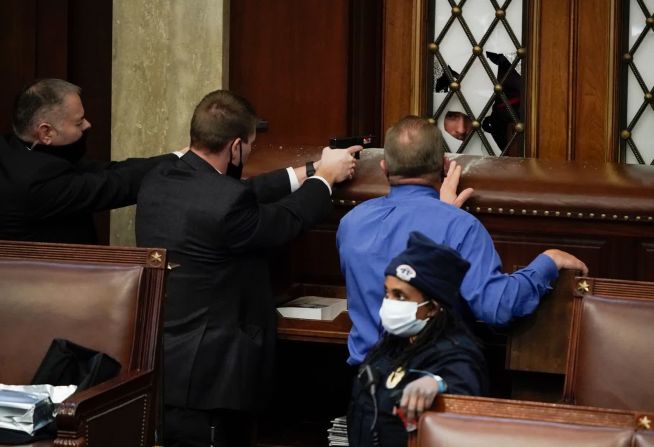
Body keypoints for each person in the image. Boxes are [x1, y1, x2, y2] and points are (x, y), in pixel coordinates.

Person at [135, 89, 360, 447]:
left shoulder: (160, 178)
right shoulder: (226, 201)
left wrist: (310, 170)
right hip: (212, 376)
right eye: (251, 145)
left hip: (164, 361)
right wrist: (325, 181)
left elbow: (238, 192)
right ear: (236, 146)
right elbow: (283, 221)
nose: (251, 152)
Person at [337, 115, 588, 366]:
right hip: (433, 385)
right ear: (445, 165)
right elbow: (498, 307)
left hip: (367, 385)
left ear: (384, 168)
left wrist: (444, 213)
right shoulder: (459, 226)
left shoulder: (351, 223)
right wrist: (548, 261)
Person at [348, 231, 488, 447]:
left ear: (432, 307)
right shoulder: (395, 342)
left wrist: (438, 383)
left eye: (400, 296)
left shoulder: (456, 352)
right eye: (388, 293)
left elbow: (463, 388)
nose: (390, 303)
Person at [0, 78, 181, 244]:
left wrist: (177, 156)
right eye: (78, 123)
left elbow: (107, 170)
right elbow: (114, 185)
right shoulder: (37, 181)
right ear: (46, 132)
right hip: (51, 277)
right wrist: (186, 160)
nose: (87, 125)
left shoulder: (18, 147)